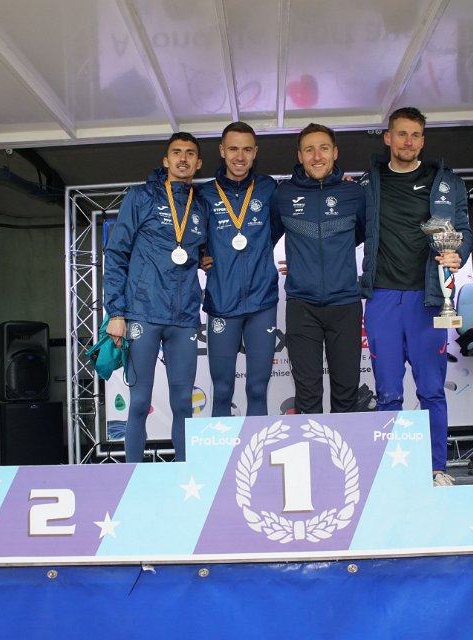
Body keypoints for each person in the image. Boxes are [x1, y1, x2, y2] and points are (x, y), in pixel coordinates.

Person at [359, 107, 472, 488]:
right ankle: (392, 474)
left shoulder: (447, 183)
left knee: (431, 390)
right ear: (387, 137)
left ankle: (436, 468)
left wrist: (459, 254)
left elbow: (463, 231)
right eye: (401, 134)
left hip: (429, 298)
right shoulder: (368, 183)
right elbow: (345, 229)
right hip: (383, 297)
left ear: (423, 141)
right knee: (388, 392)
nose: (408, 141)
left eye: (415, 135)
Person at [103, 132, 209, 462]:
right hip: (143, 313)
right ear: (166, 160)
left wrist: (206, 257)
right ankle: (133, 477)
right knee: (138, 402)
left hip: (184, 316)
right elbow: (116, 252)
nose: (183, 158)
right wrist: (116, 312)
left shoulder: (201, 205)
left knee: (183, 404)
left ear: (198, 163)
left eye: (190, 153)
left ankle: (185, 476)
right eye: (176, 152)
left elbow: (203, 251)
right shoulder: (141, 196)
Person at [271, 123, 366, 414]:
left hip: (346, 304)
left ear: (335, 152)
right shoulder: (283, 195)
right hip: (302, 306)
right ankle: (313, 445)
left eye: (323, 148)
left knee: (346, 394)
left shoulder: (354, 193)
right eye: (309, 150)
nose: (316, 156)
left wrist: (329, 257)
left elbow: (361, 235)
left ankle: (344, 446)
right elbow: (263, 240)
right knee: (308, 395)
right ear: (299, 156)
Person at [198, 122, 279, 417]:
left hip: (262, 302)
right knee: (222, 389)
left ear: (255, 152)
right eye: (233, 149)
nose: (240, 156)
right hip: (222, 301)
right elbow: (191, 235)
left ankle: (257, 447)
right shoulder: (204, 194)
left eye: (246, 149)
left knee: (257, 388)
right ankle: (221, 449)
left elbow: (284, 226)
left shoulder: (269, 188)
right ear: (222, 150)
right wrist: (199, 255)